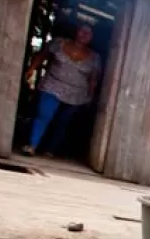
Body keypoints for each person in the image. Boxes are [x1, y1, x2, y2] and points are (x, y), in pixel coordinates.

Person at [21, 23, 103, 157]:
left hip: (76, 94)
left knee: (62, 122)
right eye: (82, 31)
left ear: (92, 37)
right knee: (44, 115)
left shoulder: (94, 58)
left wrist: (91, 96)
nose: (84, 35)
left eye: (88, 33)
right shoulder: (59, 43)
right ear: (76, 31)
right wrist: (31, 69)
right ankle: (32, 145)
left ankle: (50, 149)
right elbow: (42, 55)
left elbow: (93, 79)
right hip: (52, 85)